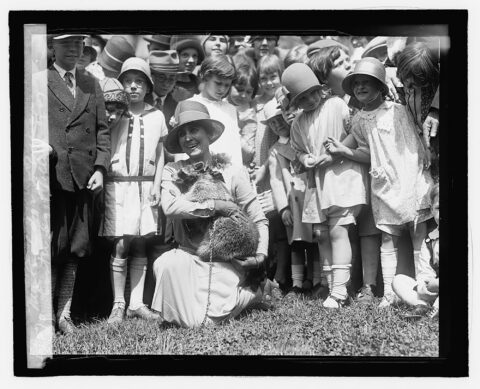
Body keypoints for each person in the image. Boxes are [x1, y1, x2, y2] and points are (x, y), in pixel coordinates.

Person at [324, 57, 434, 308]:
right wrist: (344, 151)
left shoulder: (398, 108)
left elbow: (415, 134)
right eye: (357, 84)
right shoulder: (359, 119)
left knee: (418, 231)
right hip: (384, 182)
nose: (361, 87)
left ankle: (424, 289)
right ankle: (390, 294)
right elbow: (367, 152)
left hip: (409, 174)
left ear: (381, 86)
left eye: (367, 83)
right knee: (387, 236)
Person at [151, 100, 269, 328]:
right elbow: (170, 207)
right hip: (188, 255)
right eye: (183, 133)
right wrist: (216, 205)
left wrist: (259, 257)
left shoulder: (232, 170)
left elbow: (259, 219)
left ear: (208, 133)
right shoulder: (172, 171)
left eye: (194, 129)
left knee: (205, 322)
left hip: (224, 259)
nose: (188, 138)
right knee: (164, 264)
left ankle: (251, 294)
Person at [35, 34, 110, 333]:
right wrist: (41, 148)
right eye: (67, 44)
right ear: (53, 47)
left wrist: (101, 168)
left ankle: (63, 315)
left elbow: (102, 131)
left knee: (76, 248)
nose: (73, 49)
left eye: (79, 44)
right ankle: (43, 319)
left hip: (83, 179)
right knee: (52, 248)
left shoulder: (91, 83)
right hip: (52, 179)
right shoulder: (39, 81)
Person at [282, 63, 368, 308]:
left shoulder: (336, 105)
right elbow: (298, 150)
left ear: (321, 89)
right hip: (316, 184)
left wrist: (336, 154)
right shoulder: (298, 122)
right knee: (321, 234)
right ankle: (331, 286)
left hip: (342, 177)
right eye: (302, 98)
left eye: (312, 93)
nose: (309, 100)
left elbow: (355, 132)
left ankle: (340, 292)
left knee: (338, 231)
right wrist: (304, 158)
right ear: (294, 101)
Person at [308, 40, 382, 303]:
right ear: (325, 81)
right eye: (338, 64)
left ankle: (370, 284)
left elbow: (356, 133)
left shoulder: (363, 96)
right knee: (341, 230)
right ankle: (342, 284)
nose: (347, 64)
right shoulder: (331, 104)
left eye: (346, 58)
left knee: (369, 228)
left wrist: (332, 154)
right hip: (342, 175)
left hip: (369, 166)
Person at [101, 57, 168, 323]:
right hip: (119, 186)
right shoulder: (114, 112)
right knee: (121, 242)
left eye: (139, 81)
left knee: (141, 240)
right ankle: (118, 303)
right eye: (127, 81)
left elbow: (161, 154)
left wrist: (157, 185)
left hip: (145, 186)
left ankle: (137, 303)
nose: (133, 87)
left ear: (148, 87)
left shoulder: (157, 115)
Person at [266, 102, 316, 295]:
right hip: (292, 202)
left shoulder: (303, 139)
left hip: (311, 197)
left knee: (314, 240)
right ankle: (296, 282)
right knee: (296, 242)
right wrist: (283, 208)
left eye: (279, 119)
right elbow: (276, 181)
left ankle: (315, 278)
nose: (277, 125)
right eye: (272, 123)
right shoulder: (275, 150)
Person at [392, 183, 439, 319]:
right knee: (398, 280)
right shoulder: (430, 240)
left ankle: (435, 309)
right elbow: (425, 272)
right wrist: (424, 287)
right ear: (431, 210)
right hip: (434, 290)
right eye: (439, 208)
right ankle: (422, 305)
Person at [187, 55, 243, 167]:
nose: (222, 89)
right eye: (218, 83)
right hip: (200, 173)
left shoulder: (231, 109)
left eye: (227, 85)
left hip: (230, 173)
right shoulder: (190, 104)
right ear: (205, 77)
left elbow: (235, 147)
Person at [396, 42, 440, 182]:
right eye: (406, 81)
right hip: (417, 146)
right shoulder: (403, 85)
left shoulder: (435, 89)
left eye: (416, 84)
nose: (409, 86)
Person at [227, 60, 259, 167]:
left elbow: (249, 154)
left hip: (236, 164)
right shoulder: (220, 104)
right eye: (239, 89)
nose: (244, 95)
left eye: (248, 92)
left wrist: (232, 131)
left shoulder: (249, 116)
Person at [147, 50, 182, 131]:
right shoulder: (140, 99)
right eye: (161, 77)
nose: (166, 84)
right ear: (152, 76)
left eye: (171, 79)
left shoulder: (176, 107)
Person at [170, 35, 204, 102]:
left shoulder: (200, 85)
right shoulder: (166, 84)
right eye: (185, 55)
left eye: (194, 56)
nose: (191, 60)